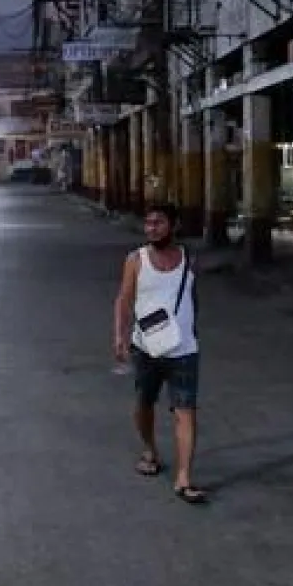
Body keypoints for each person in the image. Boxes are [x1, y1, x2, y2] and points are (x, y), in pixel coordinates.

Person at [112, 202, 207, 504]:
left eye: (159, 223)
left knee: (185, 411)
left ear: (174, 225)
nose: (152, 228)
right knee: (144, 404)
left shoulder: (189, 259)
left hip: (184, 349)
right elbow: (124, 300)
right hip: (146, 347)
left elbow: (193, 299)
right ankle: (150, 449)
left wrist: (190, 330)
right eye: (148, 223)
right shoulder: (136, 260)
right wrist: (120, 335)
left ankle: (184, 478)